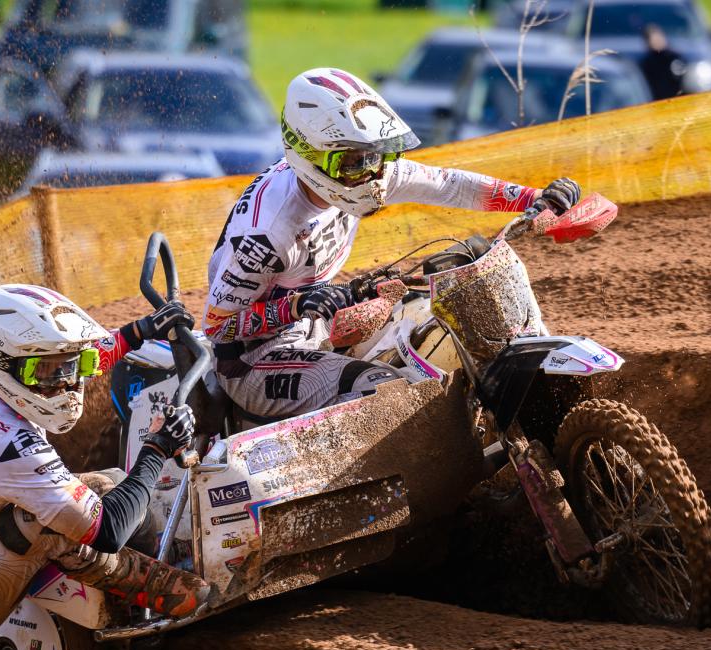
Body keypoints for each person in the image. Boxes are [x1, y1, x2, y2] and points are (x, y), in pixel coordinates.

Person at [204, 67, 581, 420]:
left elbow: (448, 185)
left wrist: (534, 199)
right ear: (309, 155)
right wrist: (296, 306)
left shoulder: (361, 173)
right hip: (252, 361)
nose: (372, 173)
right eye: (354, 162)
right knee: (382, 388)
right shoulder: (267, 233)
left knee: (440, 313)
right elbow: (217, 328)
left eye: (377, 156)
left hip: (316, 326)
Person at [0, 284, 206, 646]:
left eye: (68, 367)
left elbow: (78, 358)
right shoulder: (8, 445)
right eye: (47, 372)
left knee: (109, 484)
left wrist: (140, 331)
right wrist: (158, 447)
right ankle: (167, 595)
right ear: (4, 365)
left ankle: (152, 566)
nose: (65, 384)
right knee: (46, 525)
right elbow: (110, 530)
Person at [638, 24, 687, 101]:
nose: (657, 41)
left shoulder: (674, 58)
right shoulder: (647, 64)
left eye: (658, 38)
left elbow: (684, 81)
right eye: (653, 39)